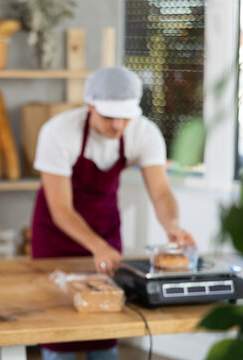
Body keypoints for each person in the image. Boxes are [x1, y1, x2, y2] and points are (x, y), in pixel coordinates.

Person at [31, 66, 195, 360]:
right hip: (57, 234)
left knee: (107, 324)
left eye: (125, 116)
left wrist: (173, 225)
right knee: (58, 326)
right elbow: (61, 208)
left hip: (106, 229)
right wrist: (97, 246)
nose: (117, 125)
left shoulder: (144, 132)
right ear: (90, 105)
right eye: (108, 116)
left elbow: (160, 191)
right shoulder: (58, 132)